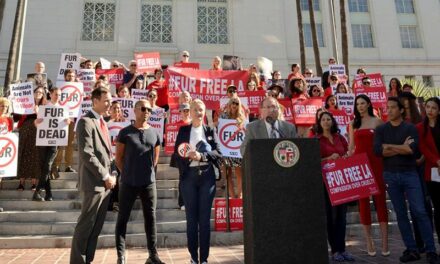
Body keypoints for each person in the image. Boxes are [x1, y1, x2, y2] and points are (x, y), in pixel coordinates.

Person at [373, 97, 440, 264]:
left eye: (393, 107)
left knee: (420, 212)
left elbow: (411, 150)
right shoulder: (381, 129)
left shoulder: (410, 128)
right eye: (387, 107)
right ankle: (412, 249)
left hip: (410, 174)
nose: (389, 110)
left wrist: (388, 146)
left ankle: (431, 250)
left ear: (401, 110)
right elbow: (377, 152)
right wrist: (400, 147)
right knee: (401, 214)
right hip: (390, 175)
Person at [115, 99, 165, 264]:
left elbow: (155, 159)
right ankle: (121, 256)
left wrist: (146, 173)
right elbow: (118, 159)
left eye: (150, 110)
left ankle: (152, 256)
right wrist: (128, 173)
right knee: (122, 218)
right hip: (128, 182)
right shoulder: (125, 133)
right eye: (143, 109)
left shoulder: (155, 133)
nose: (147, 112)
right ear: (135, 111)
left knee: (150, 219)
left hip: (148, 183)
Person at [70, 87, 116, 264]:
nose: (109, 104)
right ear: (95, 101)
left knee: (95, 228)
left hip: (104, 185)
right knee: (85, 227)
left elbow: (106, 154)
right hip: (93, 184)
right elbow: (87, 154)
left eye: (110, 100)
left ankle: (87, 260)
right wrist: (105, 176)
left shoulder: (102, 122)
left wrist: (111, 174)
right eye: (106, 100)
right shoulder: (85, 122)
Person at [173, 99, 222, 264]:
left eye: (201, 109)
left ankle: (204, 259)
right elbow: (176, 154)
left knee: (205, 219)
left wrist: (202, 156)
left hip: (207, 177)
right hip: (189, 177)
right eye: (195, 109)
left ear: (204, 111)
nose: (198, 112)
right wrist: (187, 157)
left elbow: (218, 153)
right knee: (191, 220)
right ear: (189, 111)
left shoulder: (210, 130)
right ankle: (193, 258)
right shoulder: (183, 130)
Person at [348, 94, 389, 257]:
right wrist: (348, 164)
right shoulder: (353, 123)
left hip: (377, 163)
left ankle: (385, 242)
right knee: (363, 203)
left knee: (380, 201)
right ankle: (369, 241)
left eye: (363, 103)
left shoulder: (378, 121)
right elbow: (351, 146)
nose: (360, 106)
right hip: (359, 164)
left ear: (369, 104)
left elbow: (384, 144)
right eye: (357, 104)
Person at [317, 111, 355, 262]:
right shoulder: (317, 140)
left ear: (332, 122)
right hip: (327, 183)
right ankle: (334, 250)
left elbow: (348, 153)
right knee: (331, 217)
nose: (326, 122)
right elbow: (313, 160)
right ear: (319, 123)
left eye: (328, 119)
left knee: (342, 217)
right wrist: (328, 158)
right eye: (323, 120)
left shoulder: (340, 137)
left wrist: (345, 157)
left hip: (342, 182)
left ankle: (342, 249)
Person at [33, 87, 71, 201]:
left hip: (54, 143)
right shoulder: (44, 108)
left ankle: (37, 192)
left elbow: (65, 125)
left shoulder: (63, 110)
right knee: (45, 167)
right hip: (43, 141)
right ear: (51, 94)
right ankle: (49, 193)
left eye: (59, 95)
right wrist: (36, 122)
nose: (57, 97)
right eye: (56, 94)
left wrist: (67, 122)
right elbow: (37, 124)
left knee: (48, 165)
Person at [417, 97, 440, 247]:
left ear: (439, 111)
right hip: (432, 171)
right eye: (428, 107)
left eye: (433, 108)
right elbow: (423, 147)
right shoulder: (420, 127)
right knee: (438, 207)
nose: (430, 110)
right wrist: (437, 161)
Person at [15, 86, 46, 191]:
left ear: (43, 95)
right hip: (25, 130)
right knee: (23, 153)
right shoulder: (25, 103)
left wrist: (38, 112)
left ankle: (34, 182)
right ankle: (21, 182)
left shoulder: (45, 106)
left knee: (35, 155)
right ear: (33, 93)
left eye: (41, 92)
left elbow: (46, 120)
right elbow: (16, 117)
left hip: (38, 130)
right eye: (37, 91)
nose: (39, 93)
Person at [220, 97, 246, 199]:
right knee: (227, 174)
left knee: (240, 174)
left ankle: (239, 195)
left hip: (238, 150)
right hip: (226, 149)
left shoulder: (242, 117)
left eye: (236, 103)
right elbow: (220, 131)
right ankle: (231, 195)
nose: (234, 105)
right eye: (232, 103)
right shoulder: (223, 116)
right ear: (229, 104)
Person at [53, 69, 78, 175]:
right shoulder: (60, 88)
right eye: (69, 76)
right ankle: (56, 165)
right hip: (60, 119)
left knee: (70, 143)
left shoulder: (78, 89)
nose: (71, 77)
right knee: (59, 143)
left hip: (72, 120)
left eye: (72, 76)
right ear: (65, 77)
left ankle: (68, 166)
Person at [170, 103, 192, 210]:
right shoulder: (175, 125)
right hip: (181, 155)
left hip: (192, 154)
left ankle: (190, 201)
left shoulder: (194, 123)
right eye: (184, 110)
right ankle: (182, 202)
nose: (186, 112)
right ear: (180, 112)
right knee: (183, 178)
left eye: (187, 110)